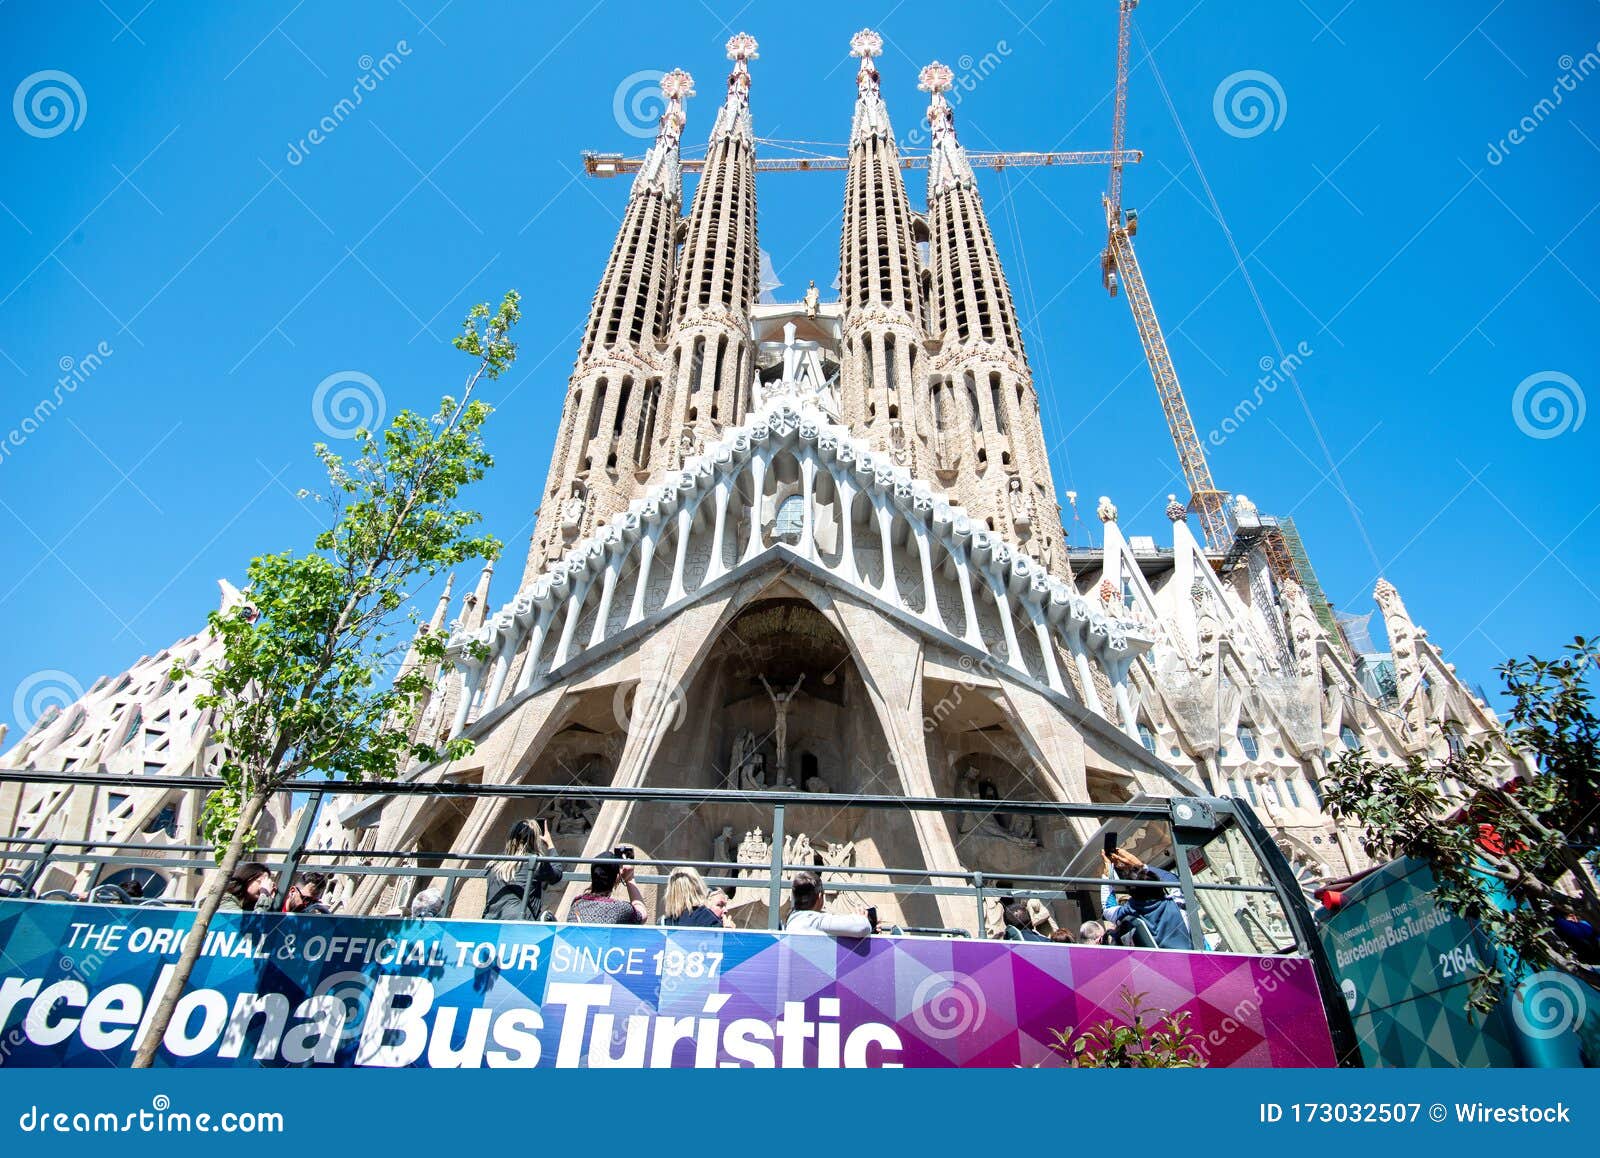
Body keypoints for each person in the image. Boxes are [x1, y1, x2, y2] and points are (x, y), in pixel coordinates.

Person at [1102, 848, 1191, 950]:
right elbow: (1173, 880)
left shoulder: (1130, 910)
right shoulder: (1177, 901)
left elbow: (1108, 909)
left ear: (1131, 893)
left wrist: (1108, 875)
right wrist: (1141, 866)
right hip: (1195, 959)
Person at [483, 819, 563, 922]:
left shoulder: (495, 863)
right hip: (520, 923)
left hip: (490, 920)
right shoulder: (535, 862)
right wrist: (550, 845)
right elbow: (556, 875)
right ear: (535, 839)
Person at [784, 870, 877, 936]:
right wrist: (862, 918)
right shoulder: (815, 921)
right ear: (820, 897)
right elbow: (861, 927)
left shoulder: (792, 920)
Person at [569, 849, 647, 924]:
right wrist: (629, 879)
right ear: (616, 878)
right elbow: (642, 915)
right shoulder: (620, 908)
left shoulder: (577, 903)